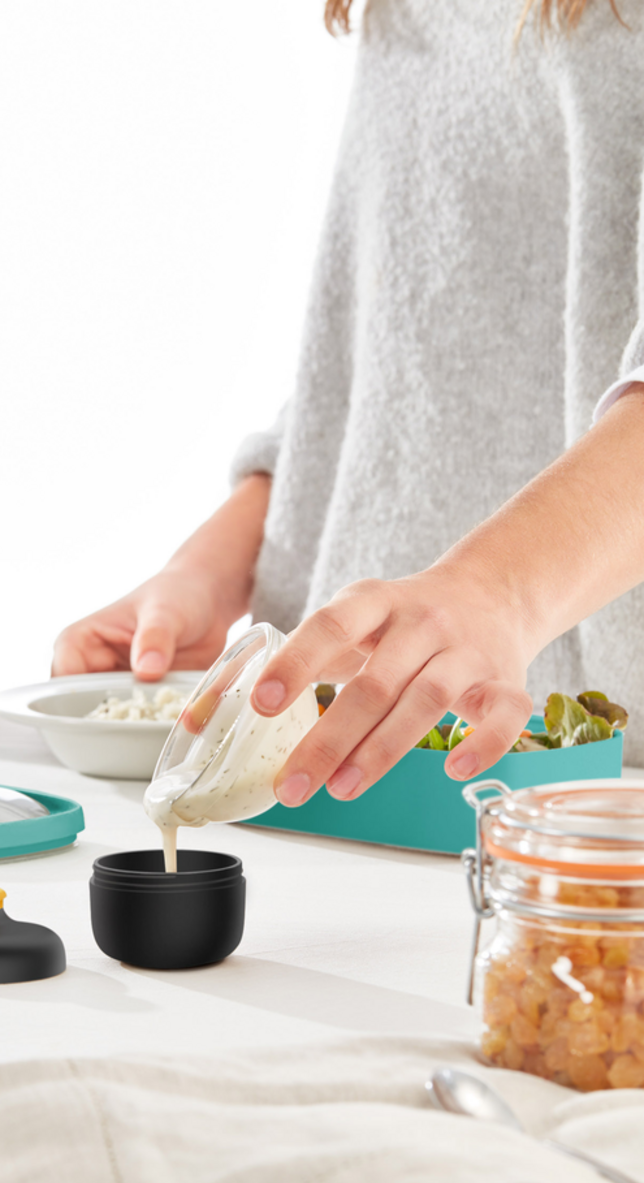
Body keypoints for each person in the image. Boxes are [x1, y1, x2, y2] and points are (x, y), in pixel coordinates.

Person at [52, 0, 644, 807]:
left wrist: (496, 592)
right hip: (355, 764)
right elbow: (391, 354)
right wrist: (224, 566)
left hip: (591, 794)